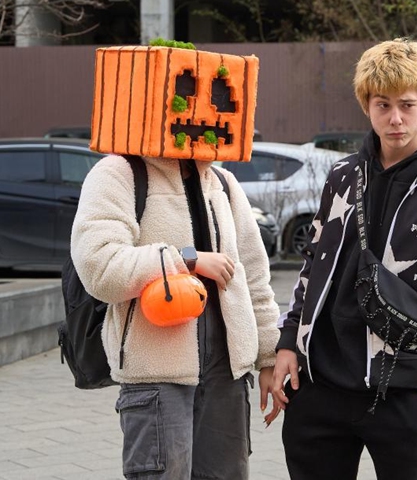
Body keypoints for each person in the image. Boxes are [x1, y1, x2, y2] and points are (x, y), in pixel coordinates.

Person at [271, 38, 417, 480]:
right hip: (320, 388)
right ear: (366, 106)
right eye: (383, 104)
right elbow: (313, 265)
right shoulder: (343, 176)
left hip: (403, 391)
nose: (395, 118)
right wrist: (289, 341)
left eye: (407, 105)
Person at [71, 44, 281, 478]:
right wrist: (184, 260)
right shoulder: (118, 173)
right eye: (186, 94)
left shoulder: (222, 181)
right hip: (157, 372)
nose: (207, 109)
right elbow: (99, 266)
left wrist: (266, 358)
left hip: (227, 372)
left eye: (219, 98)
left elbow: (255, 276)